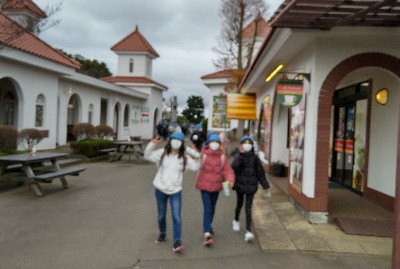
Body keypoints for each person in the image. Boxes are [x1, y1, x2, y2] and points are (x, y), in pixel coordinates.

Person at [144, 132, 200, 253]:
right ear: (170, 141)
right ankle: (162, 234)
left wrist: (195, 153)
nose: (176, 142)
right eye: (174, 139)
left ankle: (177, 241)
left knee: (176, 217)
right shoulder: (163, 153)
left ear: (182, 143)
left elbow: (196, 166)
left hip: (176, 191)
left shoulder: (184, 157)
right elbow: (147, 155)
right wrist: (152, 144)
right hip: (160, 189)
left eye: (179, 140)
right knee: (161, 215)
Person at [195, 133, 235, 247]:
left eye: (217, 142)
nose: (215, 144)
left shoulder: (222, 156)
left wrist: (231, 179)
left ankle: (209, 225)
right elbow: (196, 162)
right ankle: (207, 234)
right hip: (204, 186)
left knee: (212, 208)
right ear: (208, 143)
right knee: (207, 208)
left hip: (216, 187)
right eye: (213, 142)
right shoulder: (204, 154)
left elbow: (228, 170)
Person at [231, 135, 270, 242]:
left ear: (252, 145)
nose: (247, 145)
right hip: (240, 185)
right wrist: (240, 154)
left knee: (248, 208)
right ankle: (236, 219)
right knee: (239, 204)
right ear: (241, 145)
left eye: (249, 143)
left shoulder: (255, 158)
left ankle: (248, 231)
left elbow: (260, 173)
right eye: (245, 142)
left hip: (251, 186)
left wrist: (265, 186)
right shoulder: (239, 156)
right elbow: (233, 167)